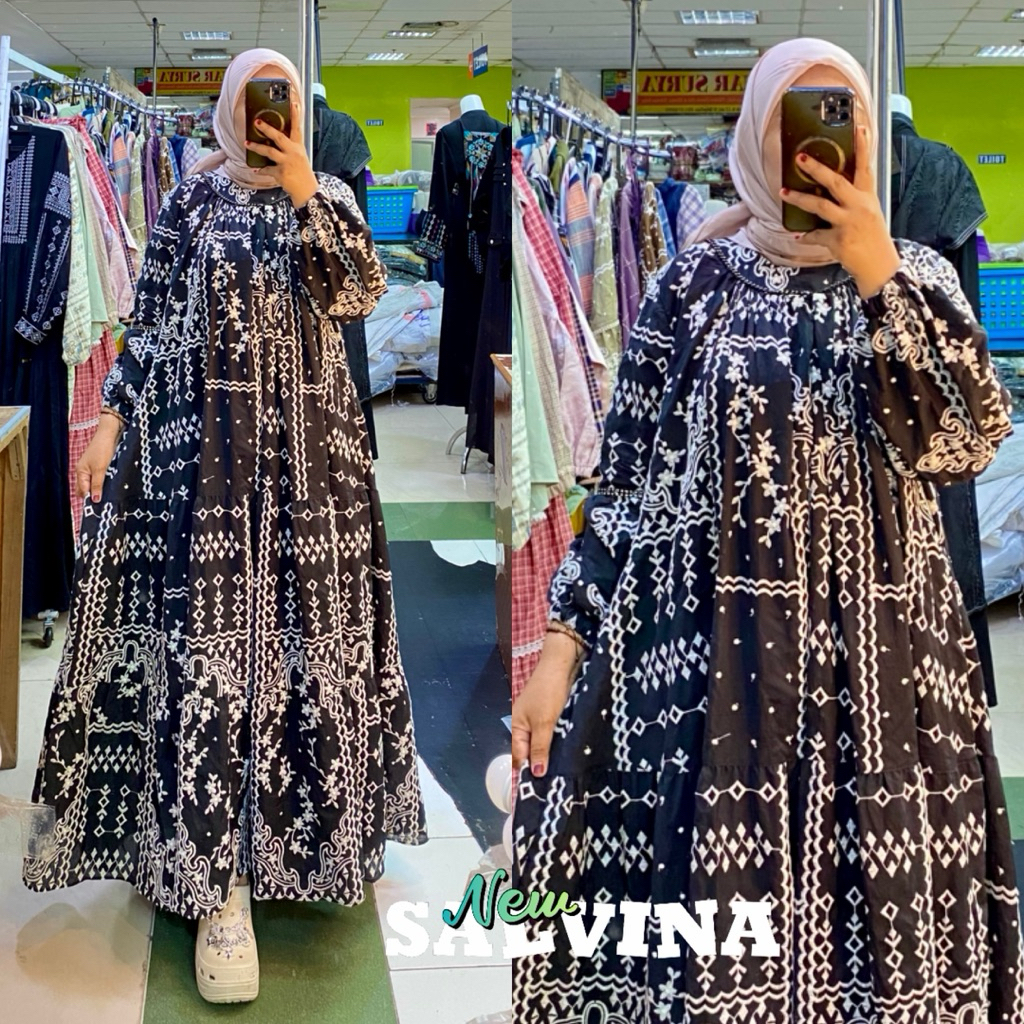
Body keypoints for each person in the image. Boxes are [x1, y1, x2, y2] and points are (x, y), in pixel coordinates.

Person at [511, 39, 1022, 1022]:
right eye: (799, 121)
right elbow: (627, 485)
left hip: (889, 679)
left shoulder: (918, 276)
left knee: (881, 934)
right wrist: (563, 642)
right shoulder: (693, 284)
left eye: (843, 119)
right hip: (718, 673)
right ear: (757, 135)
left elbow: (964, 440)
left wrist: (877, 272)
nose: (821, 145)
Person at [23, 49, 426, 1005]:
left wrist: (304, 188)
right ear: (228, 109)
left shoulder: (328, 196)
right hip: (203, 468)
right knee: (209, 658)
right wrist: (108, 424)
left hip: (314, 474)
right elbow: (153, 323)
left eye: (278, 102)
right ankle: (219, 881)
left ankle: (314, 843)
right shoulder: (191, 201)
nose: (266, 117)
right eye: (253, 101)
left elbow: (358, 291)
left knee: (305, 649)